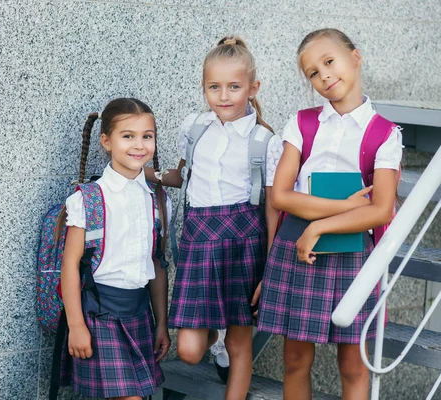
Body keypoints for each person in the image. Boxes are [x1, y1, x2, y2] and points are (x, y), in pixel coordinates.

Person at [257, 28, 403, 399]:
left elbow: (381, 209)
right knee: (294, 359)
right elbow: (283, 197)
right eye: (311, 72)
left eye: (329, 61)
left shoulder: (384, 134)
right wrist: (343, 208)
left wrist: (320, 225)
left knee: (354, 365)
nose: (322, 74)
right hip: (297, 247)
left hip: (353, 252)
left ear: (355, 57)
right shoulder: (302, 124)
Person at [146, 36, 283, 399]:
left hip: (244, 244)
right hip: (200, 241)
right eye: (214, 87)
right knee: (189, 351)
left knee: (240, 347)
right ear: (204, 87)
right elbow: (183, 175)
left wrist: (270, 265)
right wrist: (147, 174)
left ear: (253, 88)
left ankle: (228, 353)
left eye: (234, 87)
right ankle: (215, 338)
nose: (223, 96)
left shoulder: (263, 140)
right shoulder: (195, 128)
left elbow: (273, 206)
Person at [59, 98, 171, 400]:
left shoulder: (158, 201)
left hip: (139, 314)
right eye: (128, 136)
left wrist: (162, 323)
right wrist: (76, 325)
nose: (139, 145)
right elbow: (70, 265)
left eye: (147, 136)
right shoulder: (89, 199)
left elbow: (157, 265)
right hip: (100, 316)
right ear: (106, 141)